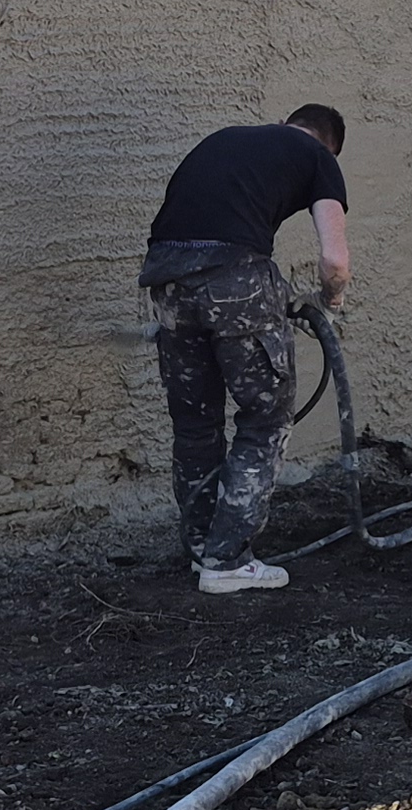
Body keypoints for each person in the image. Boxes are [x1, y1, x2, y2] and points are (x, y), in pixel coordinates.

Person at [139, 104, 352, 593]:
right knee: (265, 418)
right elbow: (334, 260)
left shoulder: (230, 137)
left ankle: (201, 551)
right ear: (328, 144)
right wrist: (329, 300)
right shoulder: (317, 156)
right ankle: (228, 559)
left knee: (195, 424)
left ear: (282, 121)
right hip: (233, 276)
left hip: (166, 278)